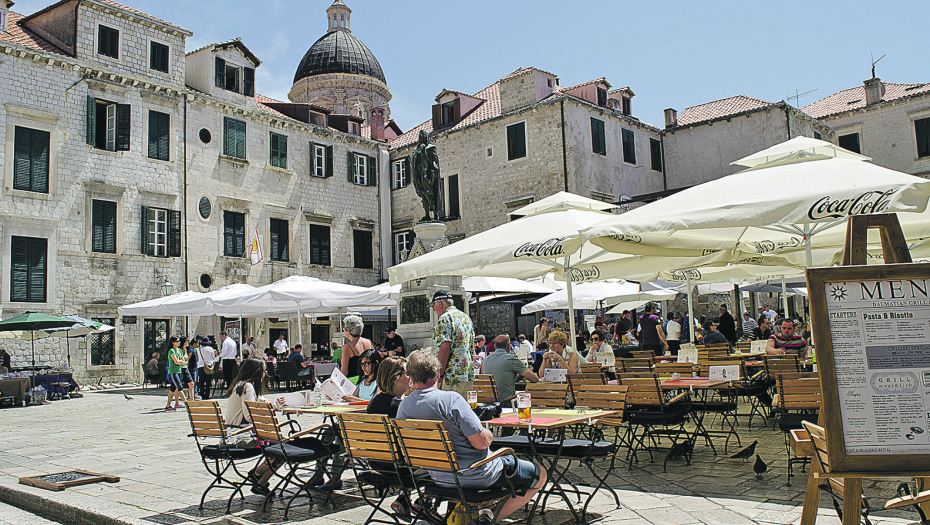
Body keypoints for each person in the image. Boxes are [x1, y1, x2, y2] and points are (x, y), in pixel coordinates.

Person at [397, 350, 546, 524]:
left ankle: (482, 512)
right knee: (540, 474)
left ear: (411, 377)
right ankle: (488, 517)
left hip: (441, 478)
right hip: (478, 475)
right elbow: (482, 443)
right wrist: (488, 434)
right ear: (438, 372)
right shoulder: (451, 400)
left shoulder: (404, 407)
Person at [427, 290, 475, 398]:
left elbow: (444, 349)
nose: (434, 309)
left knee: (449, 411)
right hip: (467, 375)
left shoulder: (444, 318)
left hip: (451, 377)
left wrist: (439, 374)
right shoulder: (465, 317)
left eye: (434, 306)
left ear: (439, 303)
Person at [481, 335, 539, 402]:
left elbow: (500, 378)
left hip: (489, 402)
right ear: (509, 346)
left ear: (495, 347)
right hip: (506, 401)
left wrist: (516, 377)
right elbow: (535, 379)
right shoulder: (511, 359)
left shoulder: (485, 360)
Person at [341, 315, 372, 379]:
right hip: (367, 380)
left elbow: (344, 371)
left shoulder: (347, 347)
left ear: (348, 331)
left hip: (353, 382)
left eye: (344, 328)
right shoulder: (368, 342)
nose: (343, 330)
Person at [165, 336, 188, 411]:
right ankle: (187, 404)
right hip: (173, 371)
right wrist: (180, 362)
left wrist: (180, 362)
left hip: (179, 371)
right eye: (177, 341)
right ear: (173, 342)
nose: (179, 343)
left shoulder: (179, 350)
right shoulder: (171, 351)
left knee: (173, 389)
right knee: (179, 386)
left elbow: (183, 361)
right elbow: (176, 361)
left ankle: (168, 405)